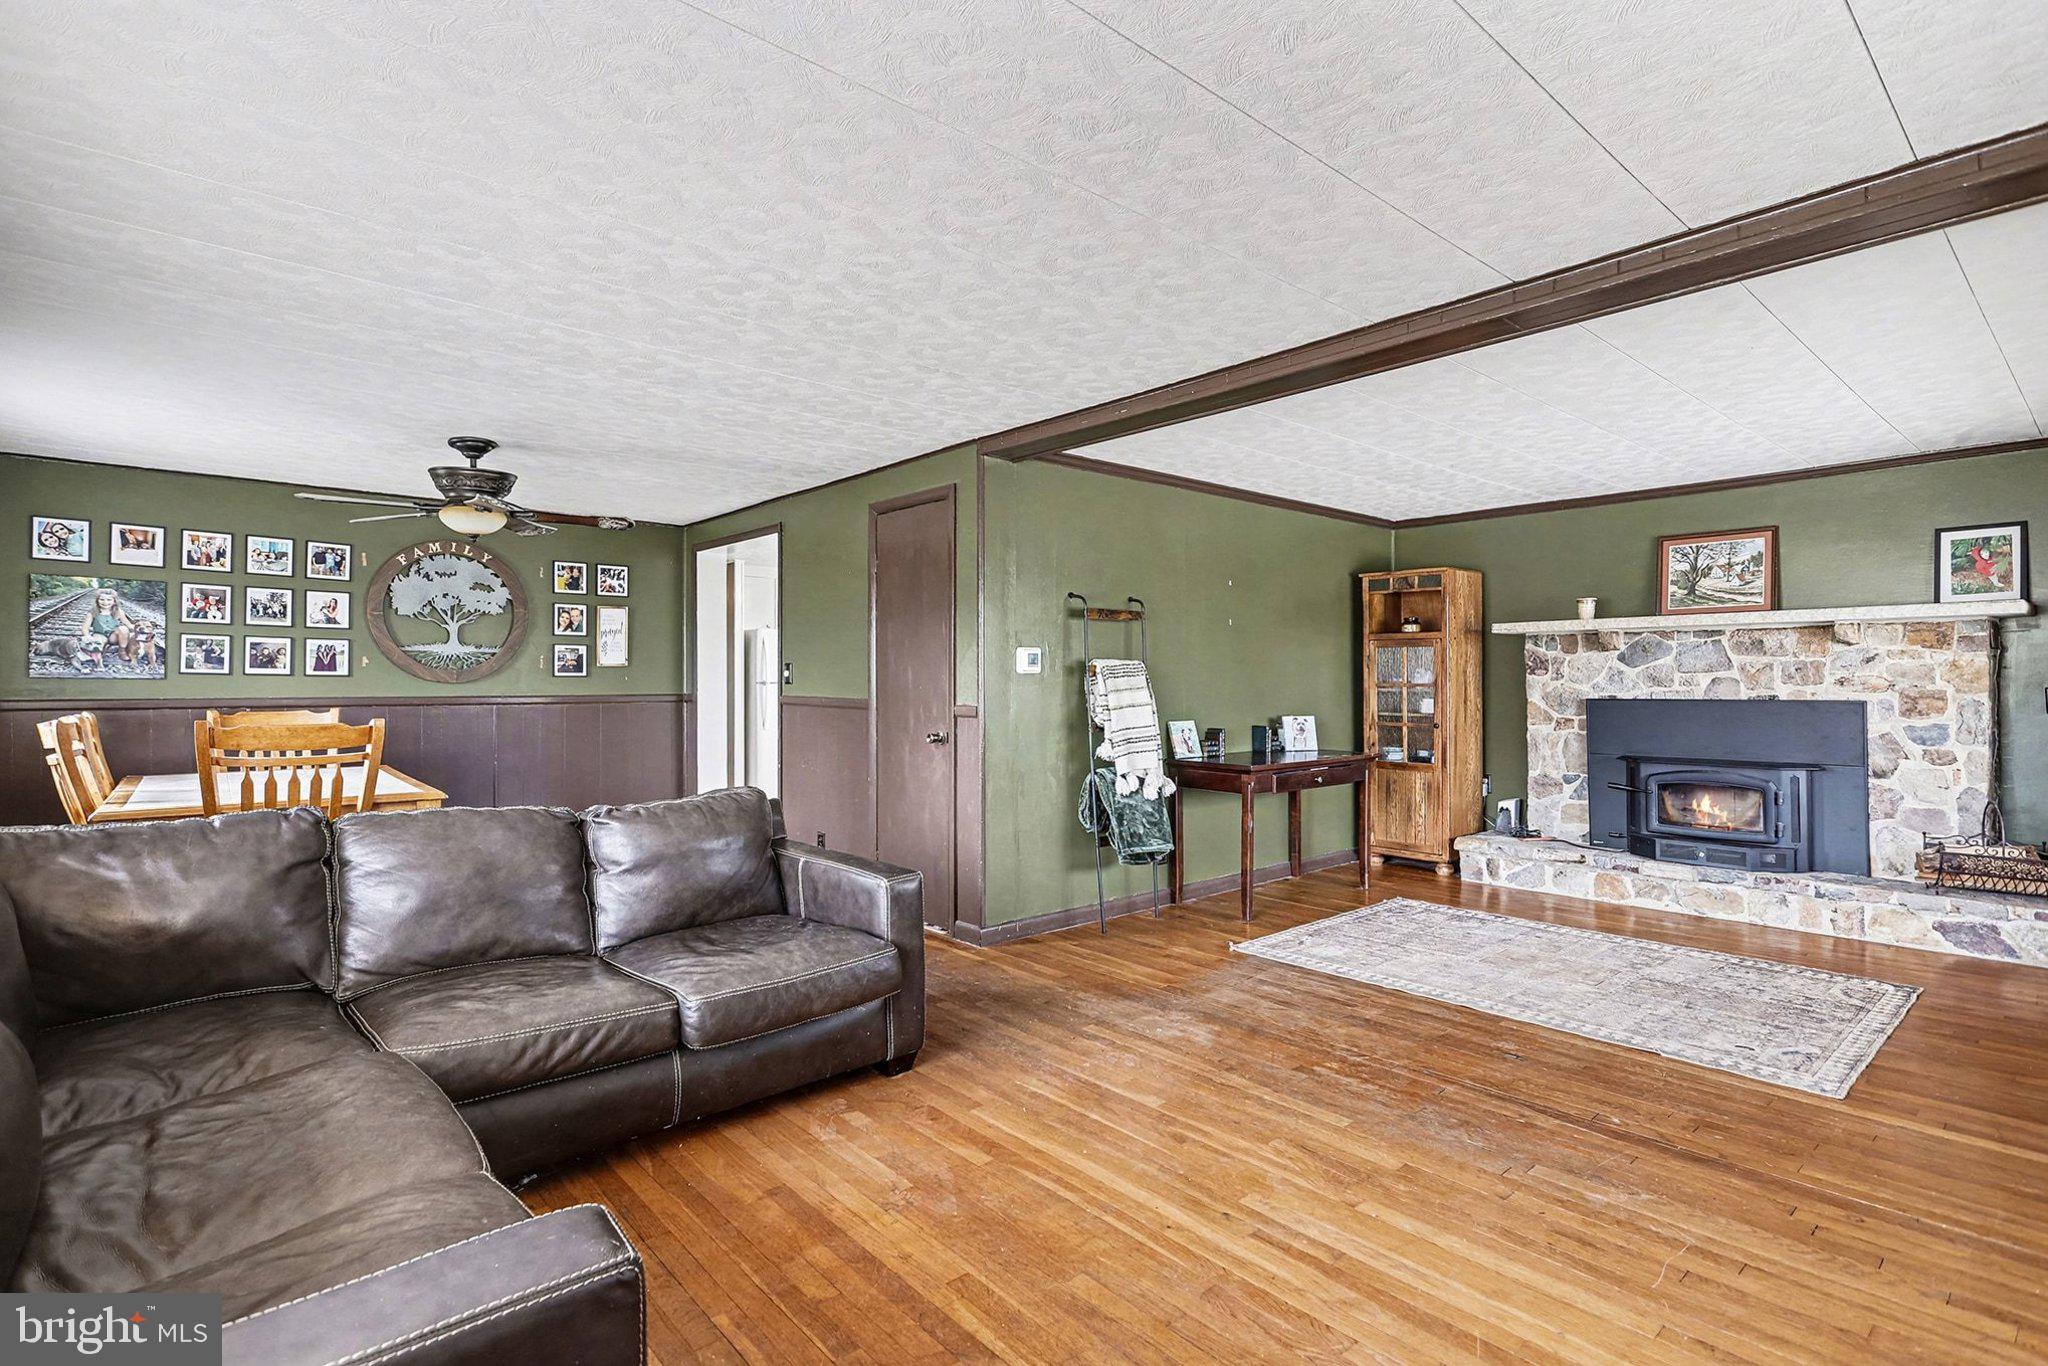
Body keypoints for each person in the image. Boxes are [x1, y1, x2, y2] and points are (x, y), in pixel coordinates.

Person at [80, 587, 136, 662]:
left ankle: (122, 650)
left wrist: (139, 629)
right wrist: (88, 636)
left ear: (114, 601)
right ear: (97, 601)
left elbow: (128, 624)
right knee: (96, 645)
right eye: (102, 599)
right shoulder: (93, 612)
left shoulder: (118, 611)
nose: (105, 602)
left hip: (113, 636)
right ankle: (98, 653)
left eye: (109, 600)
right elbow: (85, 628)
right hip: (100, 634)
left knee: (123, 629)